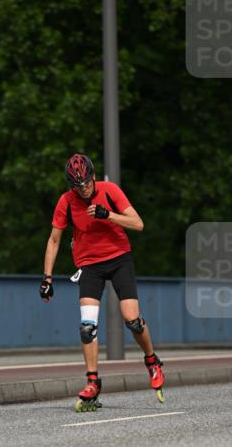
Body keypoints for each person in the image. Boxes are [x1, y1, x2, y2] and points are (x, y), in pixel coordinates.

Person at [39, 152, 165, 411]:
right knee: (87, 328)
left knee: (132, 321)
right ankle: (93, 382)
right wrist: (47, 277)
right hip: (89, 266)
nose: (83, 189)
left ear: (93, 176)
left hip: (119, 259)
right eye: (77, 185)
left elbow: (138, 224)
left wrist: (108, 215)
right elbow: (54, 240)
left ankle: (152, 361)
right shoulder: (66, 201)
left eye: (86, 183)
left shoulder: (109, 191)